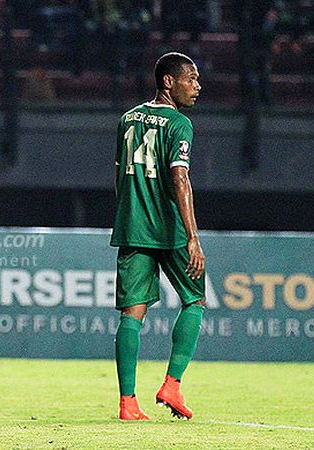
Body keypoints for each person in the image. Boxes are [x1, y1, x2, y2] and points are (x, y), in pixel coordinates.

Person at [110, 52, 205, 421]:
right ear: (169, 81)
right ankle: (172, 384)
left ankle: (127, 403)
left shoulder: (127, 119)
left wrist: (128, 214)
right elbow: (180, 177)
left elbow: (120, 175)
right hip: (170, 229)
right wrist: (192, 236)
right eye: (191, 79)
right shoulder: (179, 124)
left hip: (132, 228)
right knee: (194, 300)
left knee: (132, 313)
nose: (197, 86)